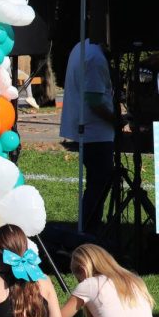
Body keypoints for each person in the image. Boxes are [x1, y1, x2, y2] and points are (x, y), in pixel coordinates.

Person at [59, 38, 122, 233]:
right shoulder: (95, 58)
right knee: (98, 185)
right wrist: (116, 120)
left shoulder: (81, 47)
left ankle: (90, 226)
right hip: (95, 132)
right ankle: (89, 228)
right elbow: (95, 101)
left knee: (96, 183)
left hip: (87, 130)